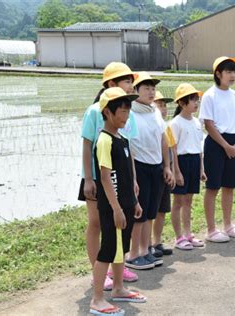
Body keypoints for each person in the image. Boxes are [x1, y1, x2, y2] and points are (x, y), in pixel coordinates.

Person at [78, 62, 139, 290]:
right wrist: (88, 178)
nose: (130, 86)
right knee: (97, 223)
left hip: (120, 179)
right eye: (126, 82)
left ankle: (118, 269)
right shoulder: (95, 111)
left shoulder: (126, 113)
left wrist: (133, 180)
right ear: (111, 84)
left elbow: (128, 147)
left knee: (118, 226)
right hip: (97, 176)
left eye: (131, 82)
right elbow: (87, 145)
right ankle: (98, 271)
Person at [90, 87, 146, 315]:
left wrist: (134, 202)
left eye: (128, 110)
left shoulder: (121, 139)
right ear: (107, 112)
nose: (126, 116)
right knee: (108, 249)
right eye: (121, 111)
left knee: (120, 248)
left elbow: (124, 176)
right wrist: (115, 208)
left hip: (125, 205)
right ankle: (96, 299)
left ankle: (119, 288)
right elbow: (106, 176)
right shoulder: (104, 140)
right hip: (112, 208)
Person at [127, 72, 174, 270]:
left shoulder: (155, 112)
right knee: (140, 214)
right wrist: (133, 177)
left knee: (151, 213)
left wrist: (166, 166)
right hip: (139, 166)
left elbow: (163, 140)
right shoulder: (129, 113)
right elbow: (127, 146)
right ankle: (133, 254)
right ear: (135, 91)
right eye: (146, 88)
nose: (151, 92)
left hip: (156, 166)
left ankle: (145, 251)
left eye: (153, 88)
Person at [199, 56, 235, 243]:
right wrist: (226, 146)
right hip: (217, 144)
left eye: (234, 72)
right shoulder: (210, 95)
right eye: (228, 72)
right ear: (218, 74)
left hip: (234, 144)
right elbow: (209, 125)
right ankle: (211, 230)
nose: (233, 75)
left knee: (229, 186)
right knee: (213, 187)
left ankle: (228, 225)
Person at [169, 83, 207, 250]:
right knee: (178, 201)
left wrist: (202, 169)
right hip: (181, 162)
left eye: (197, 100)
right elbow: (173, 150)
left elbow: (199, 147)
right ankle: (179, 237)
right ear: (182, 103)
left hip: (194, 162)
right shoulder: (175, 123)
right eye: (192, 100)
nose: (196, 103)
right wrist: (176, 171)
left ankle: (188, 234)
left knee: (189, 201)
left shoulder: (197, 122)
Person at [152, 90, 175, 256]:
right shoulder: (150, 123)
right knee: (150, 210)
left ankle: (156, 241)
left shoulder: (167, 126)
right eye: (159, 104)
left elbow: (172, 150)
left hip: (166, 169)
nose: (163, 108)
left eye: (164, 105)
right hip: (153, 167)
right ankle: (146, 245)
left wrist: (173, 170)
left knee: (162, 208)